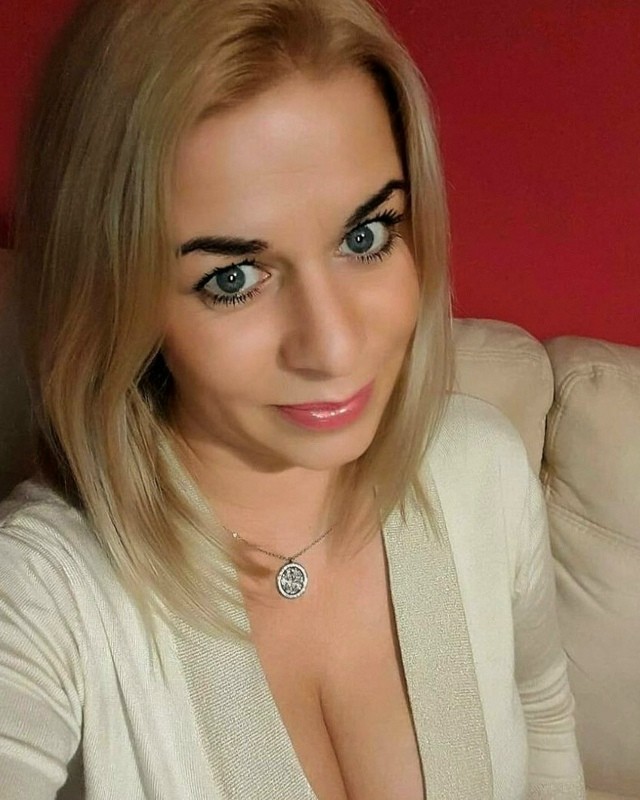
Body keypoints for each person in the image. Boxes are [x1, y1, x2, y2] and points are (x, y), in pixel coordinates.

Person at [0, 0, 586, 797]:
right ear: (115, 297)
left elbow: (543, 716)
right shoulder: (42, 595)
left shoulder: (480, 469)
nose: (334, 347)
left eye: (364, 237)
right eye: (233, 278)